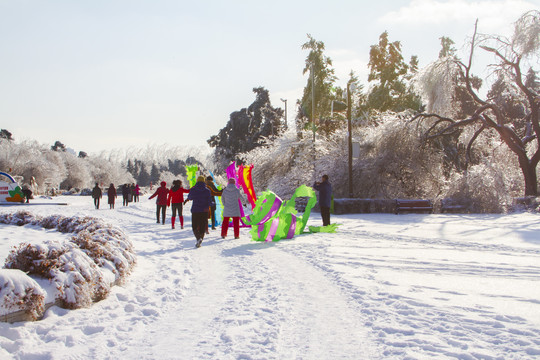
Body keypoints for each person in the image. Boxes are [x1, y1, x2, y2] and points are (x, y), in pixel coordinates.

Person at [186, 176, 213, 248]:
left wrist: (188, 198)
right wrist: (212, 204)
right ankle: (200, 239)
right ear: (204, 181)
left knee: (194, 226)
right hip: (205, 210)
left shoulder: (193, 189)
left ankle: (198, 238)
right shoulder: (207, 190)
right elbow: (209, 201)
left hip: (195, 210)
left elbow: (190, 197)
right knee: (202, 226)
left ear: (197, 181)